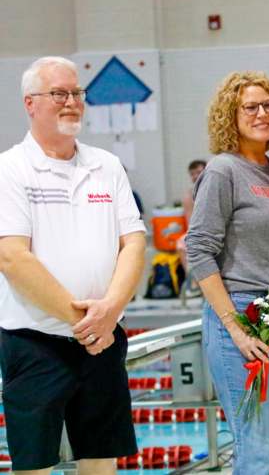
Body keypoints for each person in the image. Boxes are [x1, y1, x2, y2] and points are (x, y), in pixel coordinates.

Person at [0, 56, 146, 474]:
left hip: (101, 340)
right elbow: (12, 257)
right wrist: (88, 324)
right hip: (36, 344)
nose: (71, 102)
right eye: (58, 94)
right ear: (30, 103)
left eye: (77, 93)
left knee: (101, 462)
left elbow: (133, 242)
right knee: (34, 465)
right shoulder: (10, 169)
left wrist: (111, 311)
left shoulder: (106, 165)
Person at [185, 72, 269, 474]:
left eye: (268, 105)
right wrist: (234, 327)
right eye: (249, 107)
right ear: (230, 116)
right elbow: (199, 250)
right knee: (254, 446)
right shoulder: (222, 171)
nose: (261, 113)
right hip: (240, 311)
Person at [176, 159, 206, 295]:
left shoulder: (215, 187)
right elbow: (190, 222)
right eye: (192, 174)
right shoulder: (189, 196)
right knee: (181, 243)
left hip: (218, 230)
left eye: (199, 172)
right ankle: (195, 282)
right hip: (199, 230)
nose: (195, 176)